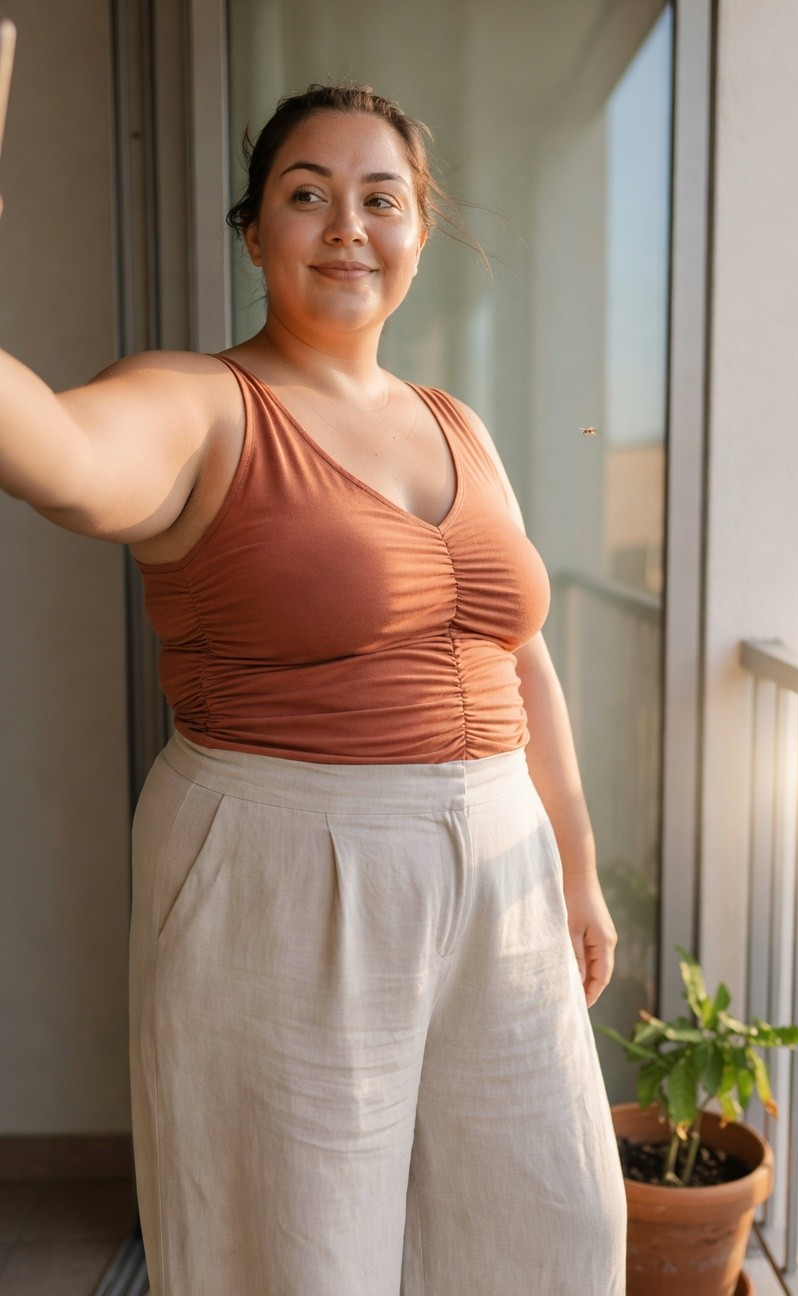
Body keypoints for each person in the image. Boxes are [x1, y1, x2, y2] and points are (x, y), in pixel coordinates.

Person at [0, 82, 626, 1295]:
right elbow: (62, 461)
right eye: (307, 194)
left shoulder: (459, 423)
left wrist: (578, 864)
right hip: (291, 864)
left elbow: (520, 649)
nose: (348, 224)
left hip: (501, 870)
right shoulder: (199, 403)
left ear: (419, 234)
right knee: (298, 1257)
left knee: (550, 1232)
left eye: (379, 197)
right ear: (254, 231)